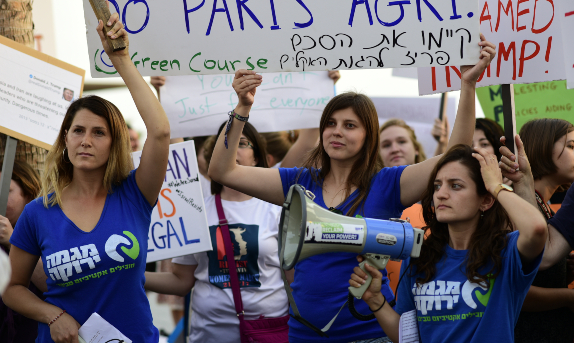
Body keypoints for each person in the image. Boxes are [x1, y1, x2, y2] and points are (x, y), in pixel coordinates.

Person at [207, 35, 496, 342]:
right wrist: (243, 106)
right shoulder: (298, 182)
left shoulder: (387, 185)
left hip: (368, 333)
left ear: (367, 135)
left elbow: (456, 155)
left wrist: (467, 85)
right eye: (330, 123)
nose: (336, 132)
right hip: (305, 334)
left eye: (349, 125)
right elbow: (223, 170)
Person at [2, 11, 170, 343]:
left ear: (115, 142)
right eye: (77, 130)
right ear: (65, 139)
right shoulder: (37, 213)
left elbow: (161, 132)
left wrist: (120, 59)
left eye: (99, 133)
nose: (86, 140)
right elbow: (12, 288)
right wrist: (53, 315)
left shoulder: (135, 195)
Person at [349, 142, 547, 343]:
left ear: (486, 200)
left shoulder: (506, 251)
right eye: (437, 185)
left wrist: (496, 186)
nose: (441, 194)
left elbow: (537, 229)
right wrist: (375, 300)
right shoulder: (419, 256)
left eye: (456, 186)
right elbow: (408, 338)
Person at [144, 121, 289, 343]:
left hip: (268, 332)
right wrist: (129, 274)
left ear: (257, 157)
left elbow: (294, 279)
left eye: (241, 143)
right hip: (209, 335)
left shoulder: (277, 210)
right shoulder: (197, 209)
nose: (231, 149)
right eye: (224, 145)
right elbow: (181, 281)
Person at [499, 118, 574, 343]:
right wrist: (568, 297)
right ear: (542, 147)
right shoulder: (511, 207)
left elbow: (539, 269)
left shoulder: (546, 208)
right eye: (571, 146)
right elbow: (508, 288)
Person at [0, 160, 47, 343]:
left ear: (29, 193)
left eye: (2, 191)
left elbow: (52, 283)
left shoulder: (47, 233)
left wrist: (15, 242)